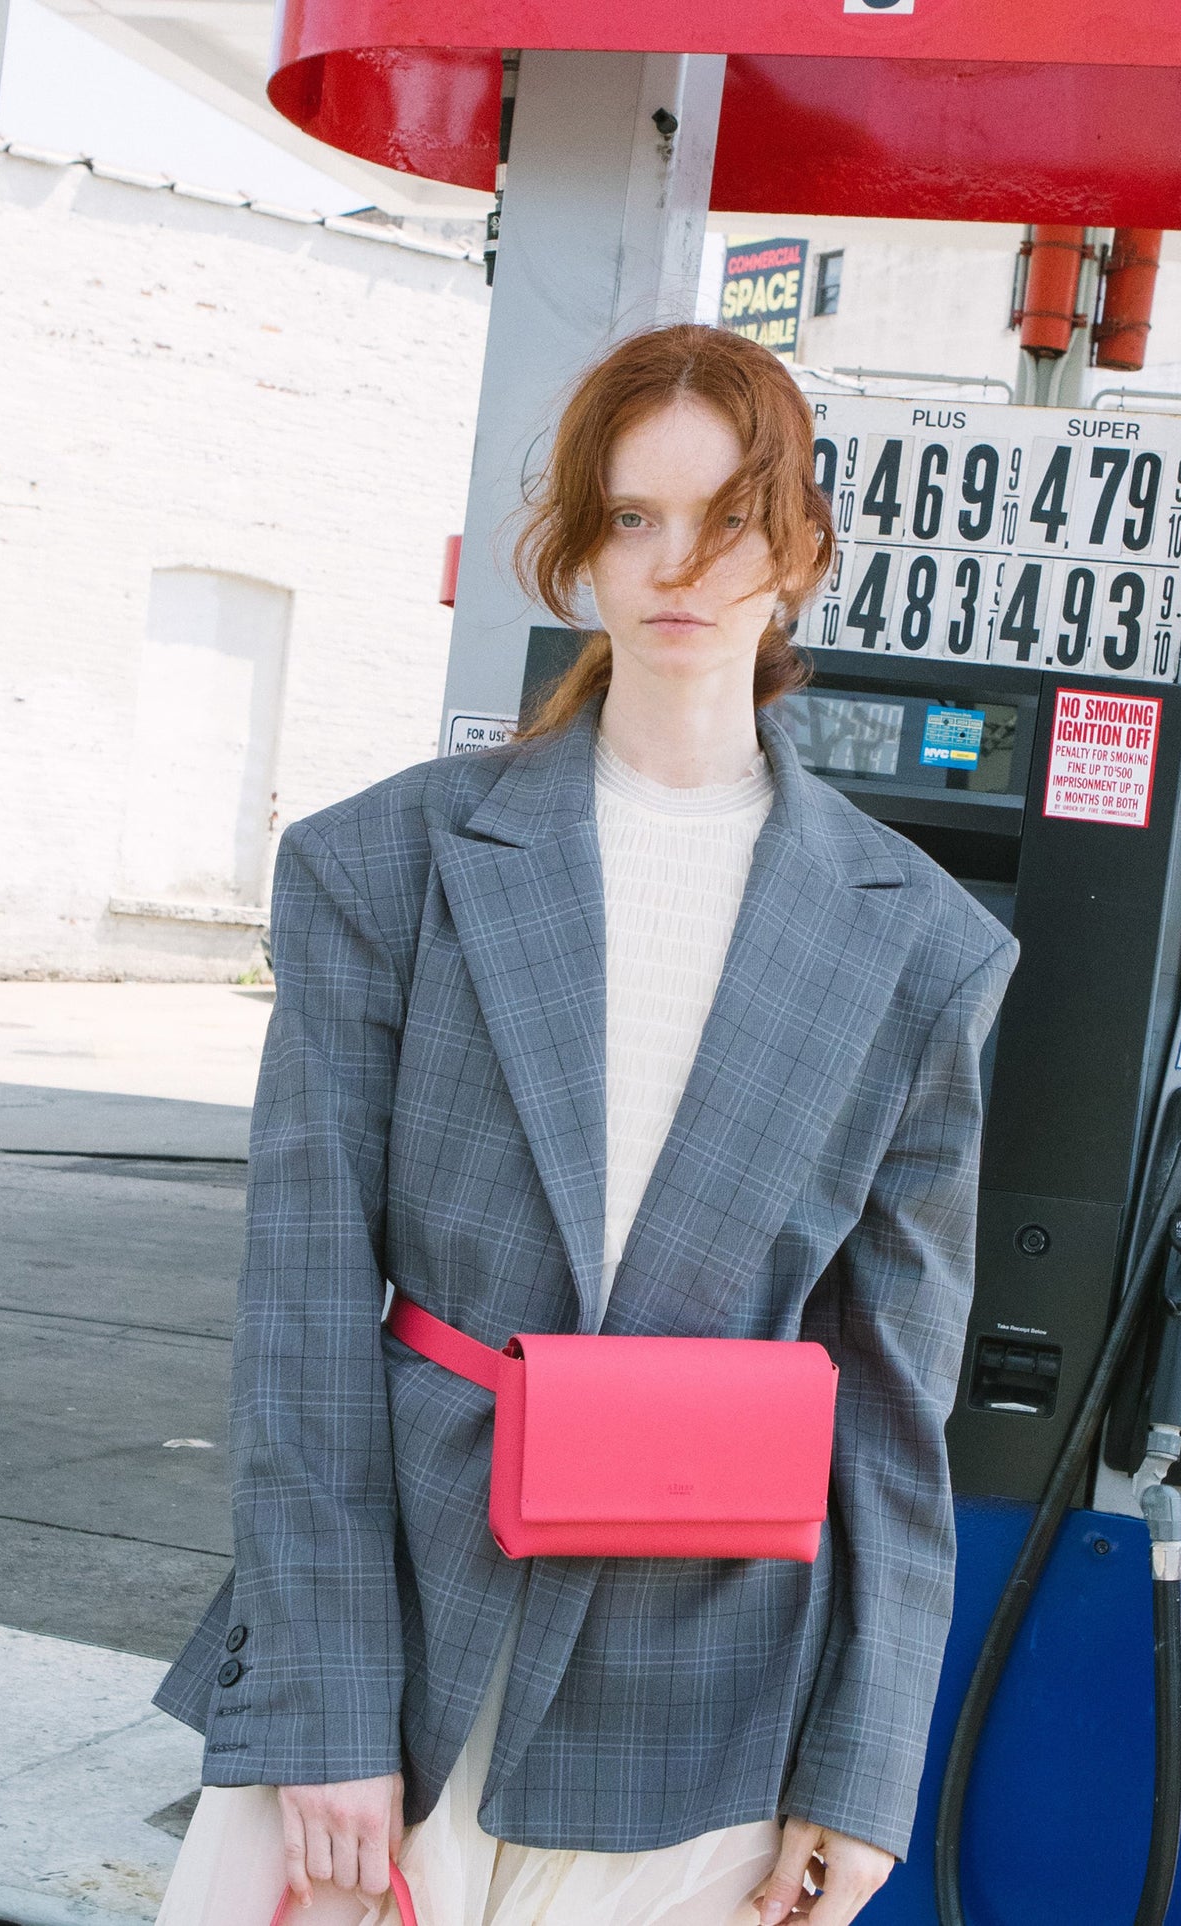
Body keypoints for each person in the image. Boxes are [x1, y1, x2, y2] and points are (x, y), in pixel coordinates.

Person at [150, 322, 1018, 1926]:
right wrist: (326, 1698)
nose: (676, 565)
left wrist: (862, 1765)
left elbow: (895, 1407)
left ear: (802, 548)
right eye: (630, 517)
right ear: (575, 545)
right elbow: (301, 1317)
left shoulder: (923, 943)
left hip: (707, 1695)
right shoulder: (382, 864)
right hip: (399, 1635)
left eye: (726, 519)